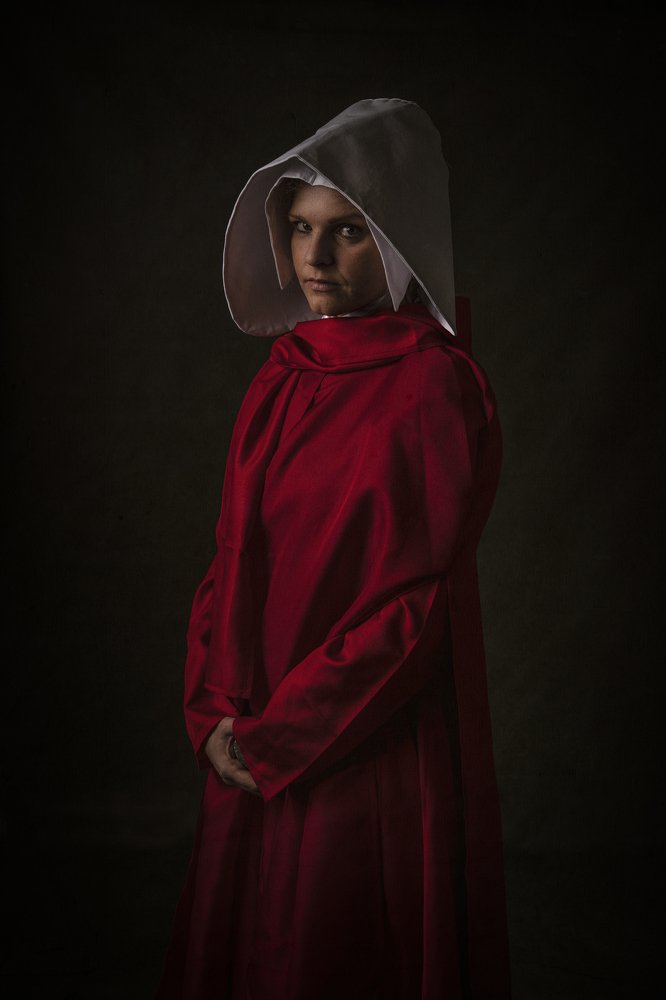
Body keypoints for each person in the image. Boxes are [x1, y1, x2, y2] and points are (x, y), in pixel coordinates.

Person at [158, 98, 511, 999]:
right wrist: (213, 714)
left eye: (348, 230)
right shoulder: (284, 375)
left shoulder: (432, 388)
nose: (314, 256)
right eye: (301, 227)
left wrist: (285, 737)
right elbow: (231, 557)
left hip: (359, 743)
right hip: (250, 731)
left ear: (397, 237)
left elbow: (412, 612)